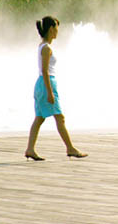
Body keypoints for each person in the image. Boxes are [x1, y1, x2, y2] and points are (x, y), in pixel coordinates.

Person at [24, 16, 88, 161]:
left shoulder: (43, 45)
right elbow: (46, 71)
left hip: (42, 83)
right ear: (51, 29)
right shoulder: (46, 48)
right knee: (60, 117)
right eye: (57, 28)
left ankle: (30, 149)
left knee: (39, 118)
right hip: (47, 83)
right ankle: (70, 148)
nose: (58, 31)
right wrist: (50, 92)